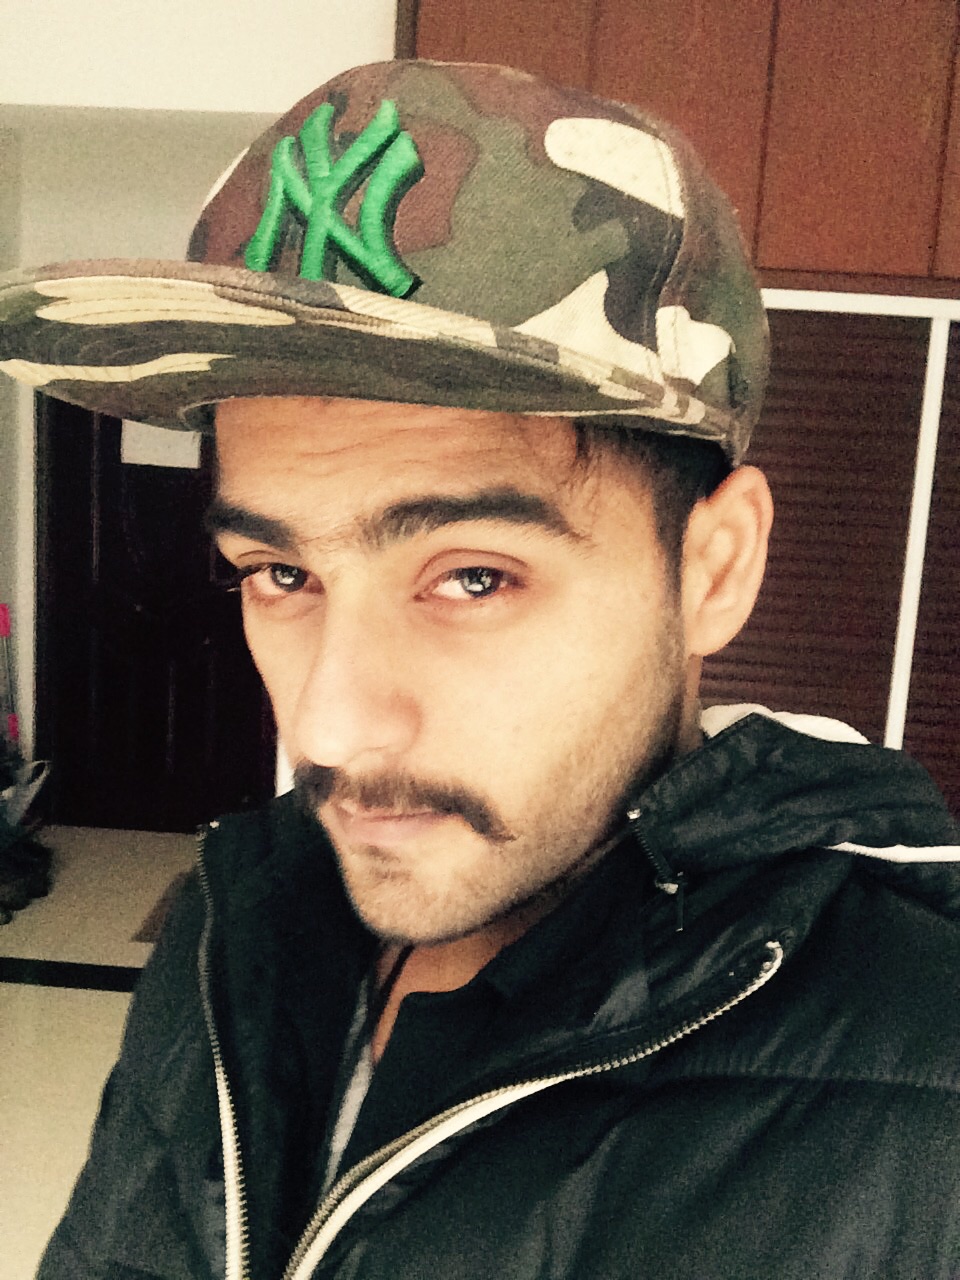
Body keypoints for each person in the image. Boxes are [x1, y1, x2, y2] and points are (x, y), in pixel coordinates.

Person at [1, 60, 958, 1280]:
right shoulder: (227, 928)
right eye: (280, 572)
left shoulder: (930, 1092)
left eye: (472, 577)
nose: (329, 726)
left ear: (714, 567)